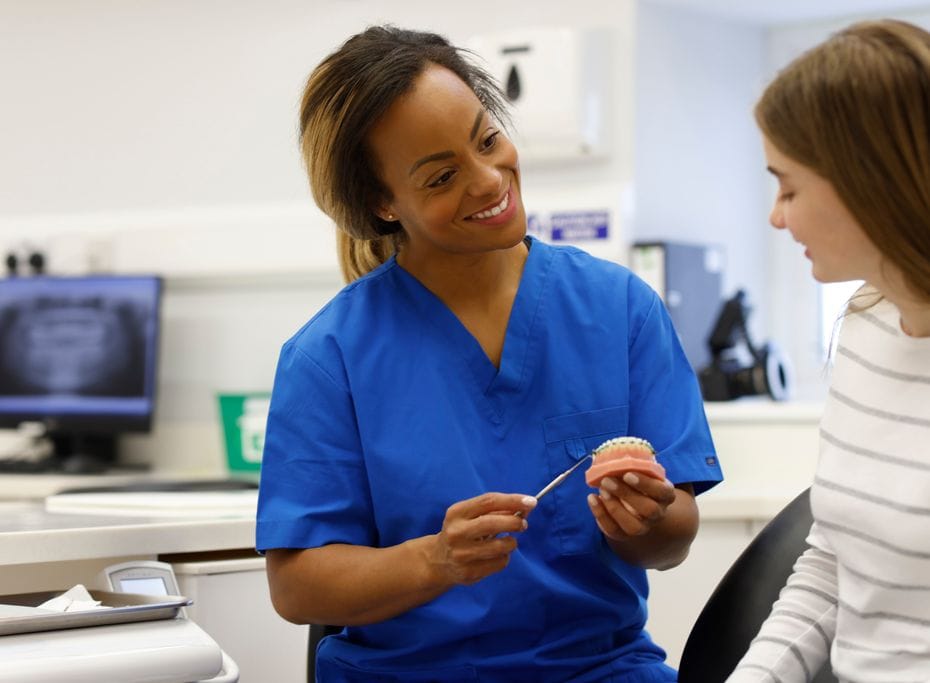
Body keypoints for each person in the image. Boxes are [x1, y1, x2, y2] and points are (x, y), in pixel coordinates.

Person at [256, 25, 722, 682]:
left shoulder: (619, 309)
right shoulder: (329, 357)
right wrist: (435, 560)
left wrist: (638, 520)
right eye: (443, 175)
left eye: (486, 139)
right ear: (382, 203)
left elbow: (675, 534)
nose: (487, 180)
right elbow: (297, 586)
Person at [727, 19, 930, 683]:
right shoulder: (868, 326)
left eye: (788, 187)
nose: (776, 217)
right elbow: (832, 566)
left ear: (871, 183)